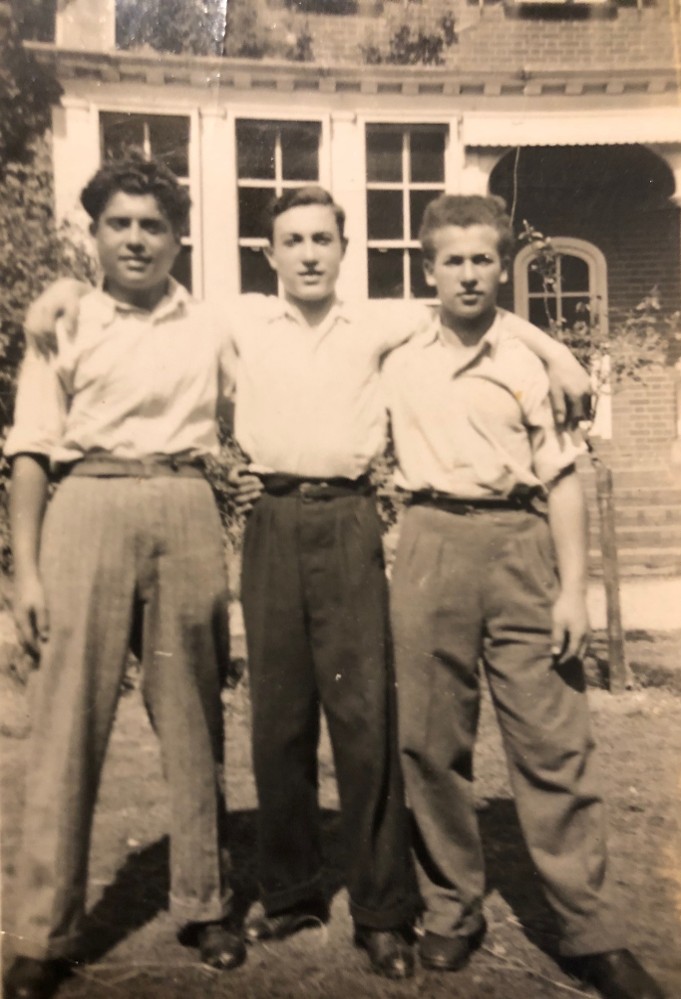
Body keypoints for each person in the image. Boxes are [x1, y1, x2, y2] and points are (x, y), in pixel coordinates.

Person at [21, 184, 592, 982]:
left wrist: (556, 350)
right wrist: (64, 285)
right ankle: (288, 890)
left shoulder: (380, 321)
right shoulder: (236, 318)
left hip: (351, 516)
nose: (310, 253)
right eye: (293, 241)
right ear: (270, 253)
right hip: (270, 523)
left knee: (365, 718)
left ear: (344, 249)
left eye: (324, 239)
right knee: (278, 715)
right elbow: (131, 285)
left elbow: (478, 308)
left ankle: (383, 910)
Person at [381, 194, 665, 999]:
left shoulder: (529, 362)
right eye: (451, 260)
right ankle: (450, 907)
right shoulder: (396, 350)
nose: (467, 273)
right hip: (430, 540)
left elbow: (565, 478)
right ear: (426, 269)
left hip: (520, 546)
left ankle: (588, 928)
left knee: (553, 743)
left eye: (481, 259)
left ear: (501, 267)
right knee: (430, 743)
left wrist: (573, 590)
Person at [3, 155, 247, 999]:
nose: (136, 239)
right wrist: (24, 574)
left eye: (153, 225)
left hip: (184, 504)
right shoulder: (61, 324)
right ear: (96, 234)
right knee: (67, 720)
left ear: (178, 238)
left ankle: (205, 897)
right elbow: (31, 452)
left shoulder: (212, 326)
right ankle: (43, 928)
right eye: (120, 224)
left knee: (192, 715)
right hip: (89, 505)